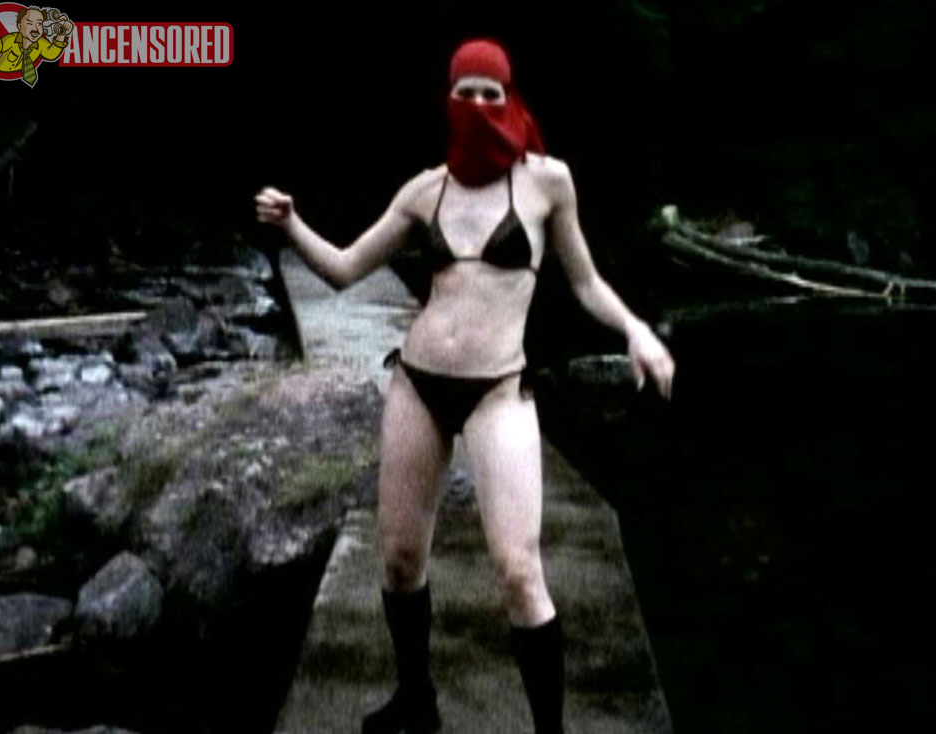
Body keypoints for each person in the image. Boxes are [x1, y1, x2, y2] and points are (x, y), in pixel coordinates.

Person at [255, 37, 675, 734]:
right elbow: (343, 269)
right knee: (398, 560)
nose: (478, 104)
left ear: (509, 98)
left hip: (498, 389)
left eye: (491, 92)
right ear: (448, 99)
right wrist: (293, 224)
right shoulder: (426, 189)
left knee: (519, 572)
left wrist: (636, 330)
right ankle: (416, 700)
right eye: (465, 92)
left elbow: (585, 282)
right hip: (418, 383)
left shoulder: (547, 183)